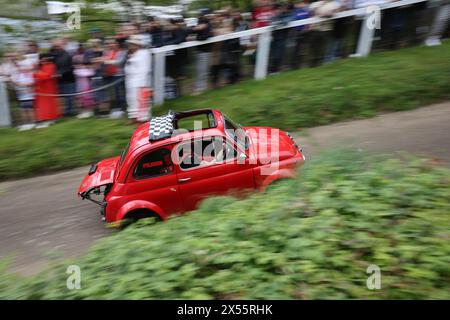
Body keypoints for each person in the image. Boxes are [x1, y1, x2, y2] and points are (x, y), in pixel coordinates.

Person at [124, 34, 152, 123]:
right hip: (130, 80)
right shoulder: (132, 54)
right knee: (131, 98)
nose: (130, 46)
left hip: (140, 81)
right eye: (130, 44)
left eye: (132, 44)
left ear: (138, 45)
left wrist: (143, 83)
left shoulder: (144, 53)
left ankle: (143, 118)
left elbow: (145, 69)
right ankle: (133, 116)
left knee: (141, 100)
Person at [33, 54, 61, 128]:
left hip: (49, 88)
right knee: (42, 105)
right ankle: (44, 119)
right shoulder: (39, 66)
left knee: (49, 104)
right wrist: (36, 73)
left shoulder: (51, 65)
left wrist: (36, 73)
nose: (42, 60)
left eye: (44, 59)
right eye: (41, 59)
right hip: (41, 88)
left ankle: (51, 118)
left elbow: (47, 75)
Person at [51, 39, 76, 116]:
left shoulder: (68, 54)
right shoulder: (53, 55)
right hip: (59, 80)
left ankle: (70, 111)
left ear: (63, 45)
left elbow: (70, 67)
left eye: (58, 45)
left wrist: (60, 74)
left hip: (68, 78)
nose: (57, 47)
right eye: (55, 46)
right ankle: (64, 112)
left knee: (70, 96)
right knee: (62, 97)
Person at [12, 52, 35, 131]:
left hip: (29, 94)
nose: (21, 68)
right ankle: (26, 124)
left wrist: (25, 85)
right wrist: (18, 83)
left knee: (29, 109)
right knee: (22, 110)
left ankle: (32, 123)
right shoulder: (18, 74)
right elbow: (15, 81)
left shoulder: (29, 74)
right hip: (21, 95)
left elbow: (32, 82)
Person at [192, 11, 213, 94]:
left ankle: (201, 88)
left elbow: (206, 36)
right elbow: (193, 31)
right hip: (199, 50)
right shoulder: (200, 24)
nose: (206, 16)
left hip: (205, 50)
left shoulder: (208, 25)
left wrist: (195, 38)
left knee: (202, 70)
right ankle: (199, 87)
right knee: (199, 70)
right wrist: (195, 30)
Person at [290, 0, 311, 69]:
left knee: (304, 48)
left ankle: (302, 63)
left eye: (302, 3)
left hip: (305, 32)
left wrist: (306, 28)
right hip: (297, 32)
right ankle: (294, 65)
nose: (300, 4)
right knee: (296, 49)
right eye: (298, 3)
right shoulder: (294, 11)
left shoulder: (306, 11)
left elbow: (309, 19)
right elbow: (293, 20)